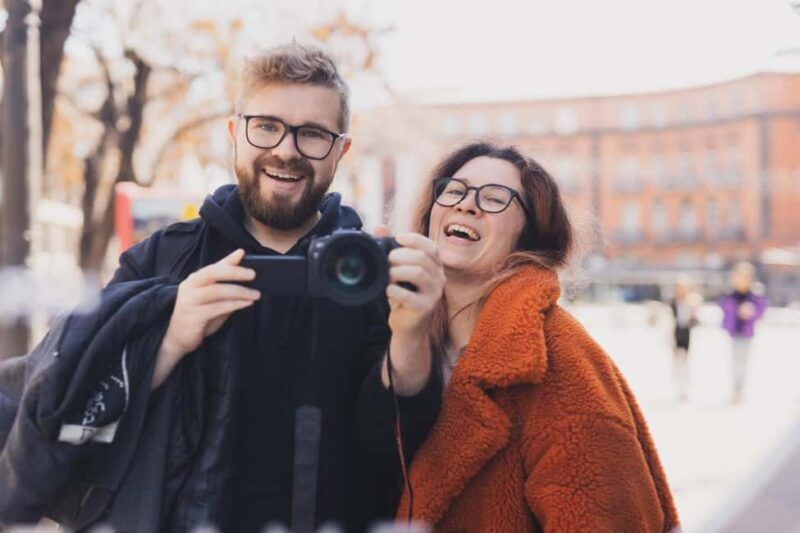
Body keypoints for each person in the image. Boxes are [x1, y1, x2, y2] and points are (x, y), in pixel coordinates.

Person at [0, 44, 443, 532]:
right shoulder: (159, 259)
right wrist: (165, 341)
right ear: (235, 133)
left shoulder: (368, 273)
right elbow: (71, 410)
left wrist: (410, 333)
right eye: (267, 126)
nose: (286, 150)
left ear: (341, 150)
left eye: (312, 134)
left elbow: (396, 448)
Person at [393, 142, 680, 532]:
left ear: (528, 234)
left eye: (495, 198)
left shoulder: (554, 356)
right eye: (455, 190)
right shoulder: (397, 333)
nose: (466, 205)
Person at [719, 261, 768, 404]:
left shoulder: (754, 295)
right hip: (734, 332)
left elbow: (761, 309)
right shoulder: (731, 295)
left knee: (743, 362)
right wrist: (737, 309)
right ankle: (735, 390)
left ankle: (739, 390)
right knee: (735, 362)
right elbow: (724, 306)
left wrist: (751, 311)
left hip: (746, 333)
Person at [670, 276, 699, 402]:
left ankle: (685, 389)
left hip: (687, 334)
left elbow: (695, 322)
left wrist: (694, 312)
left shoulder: (691, 302)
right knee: (677, 362)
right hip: (675, 334)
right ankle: (677, 387)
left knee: (686, 362)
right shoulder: (672, 302)